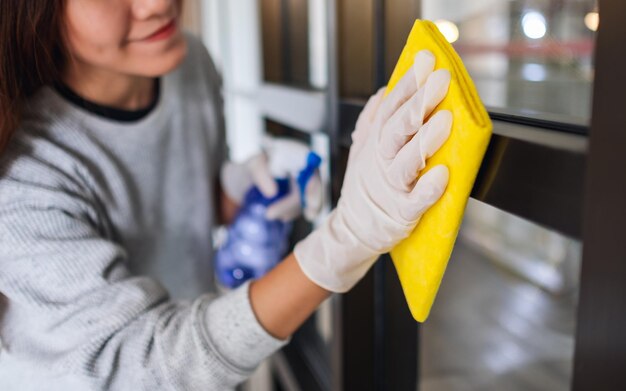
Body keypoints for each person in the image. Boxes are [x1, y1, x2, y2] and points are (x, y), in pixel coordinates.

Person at [0, 1, 452, 390]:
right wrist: (347, 239)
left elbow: (182, 200)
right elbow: (146, 369)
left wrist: (243, 185)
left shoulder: (186, 62)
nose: (158, 4)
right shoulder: (20, 174)